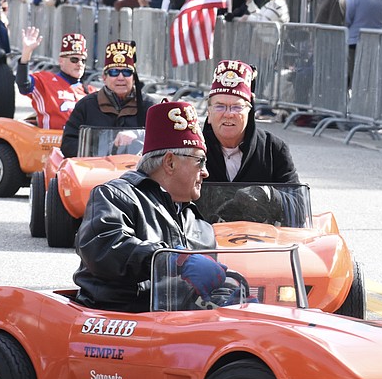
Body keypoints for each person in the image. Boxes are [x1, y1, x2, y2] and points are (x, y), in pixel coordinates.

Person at [73, 100, 223, 312]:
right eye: (200, 161)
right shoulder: (115, 195)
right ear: (170, 163)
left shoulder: (198, 223)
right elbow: (104, 248)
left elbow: (204, 291)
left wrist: (232, 299)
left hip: (180, 328)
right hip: (121, 322)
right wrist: (171, 259)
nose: (206, 172)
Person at [203, 60, 299, 183]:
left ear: (249, 111)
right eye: (220, 106)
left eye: (237, 107)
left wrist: (269, 195)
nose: (228, 114)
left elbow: (294, 198)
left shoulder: (273, 150)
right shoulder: (192, 152)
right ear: (209, 113)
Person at [61, 40, 156, 158]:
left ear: (133, 78)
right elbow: (68, 144)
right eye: (114, 72)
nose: (121, 78)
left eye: (127, 72)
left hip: (138, 172)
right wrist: (97, 153)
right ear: (104, 77)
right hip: (96, 172)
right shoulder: (86, 106)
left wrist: (138, 134)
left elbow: (163, 141)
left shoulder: (150, 107)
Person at [15, 29, 91, 130]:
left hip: (81, 142)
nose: (80, 64)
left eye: (83, 60)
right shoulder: (45, 80)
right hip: (51, 142)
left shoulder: (91, 91)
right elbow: (23, 84)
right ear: (61, 61)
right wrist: (26, 53)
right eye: (74, 59)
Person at [345, 0, 382, 86]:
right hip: (376, 44)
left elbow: (346, 20)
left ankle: (356, 101)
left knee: (355, 76)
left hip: (355, 43)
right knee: (372, 78)